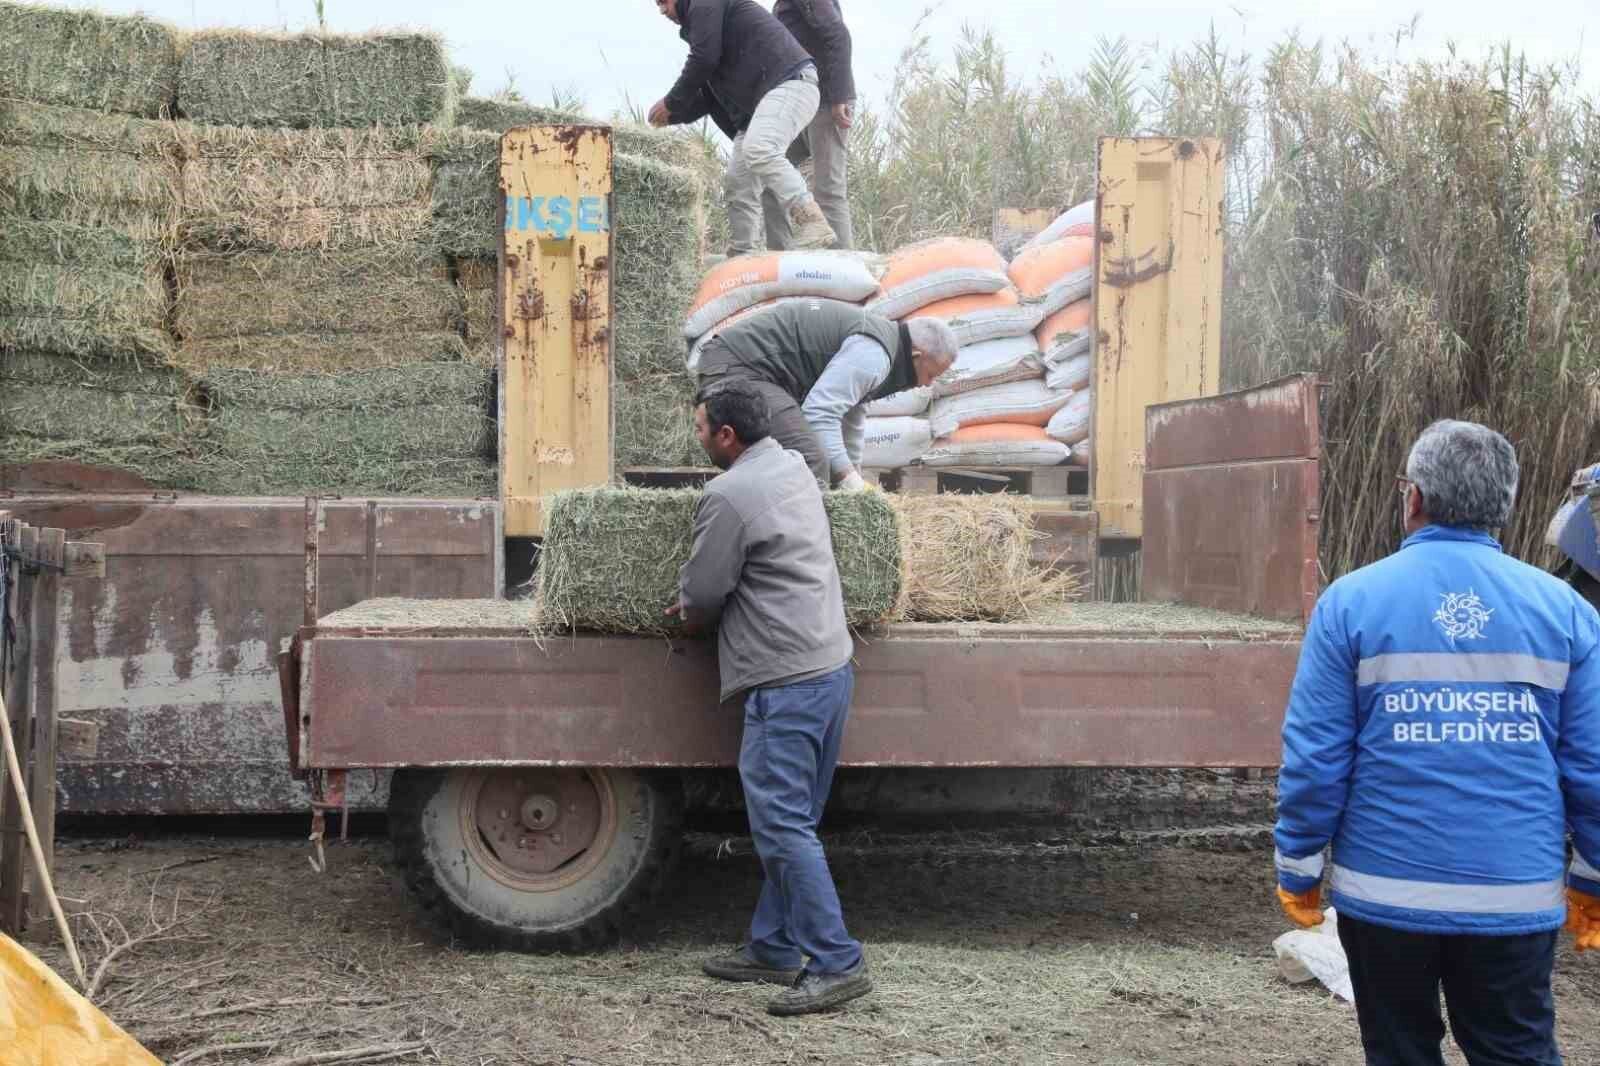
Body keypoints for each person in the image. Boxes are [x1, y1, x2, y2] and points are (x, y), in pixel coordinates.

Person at [1274, 419, 1600, 1066]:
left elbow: (1316, 758)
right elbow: (1591, 769)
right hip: (1515, 899)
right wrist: (1591, 878)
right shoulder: (1566, 613)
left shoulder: (1351, 604)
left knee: (1399, 1052)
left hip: (1385, 898)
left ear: (1413, 497)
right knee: (1516, 1051)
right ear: (1505, 505)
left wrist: (1300, 866)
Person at [667, 379, 872, 1017]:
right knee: (795, 822)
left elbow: (703, 595)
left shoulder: (729, 494)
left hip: (786, 682)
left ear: (728, 436)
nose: (697, 438)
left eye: (701, 429)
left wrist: (685, 612)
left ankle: (837, 963)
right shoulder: (789, 463)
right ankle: (775, 946)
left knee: (781, 826)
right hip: (830, 665)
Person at [693, 299, 959, 488]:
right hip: (738, 368)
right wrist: (846, 478)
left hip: (752, 371)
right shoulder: (874, 354)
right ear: (916, 355)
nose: (926, 385)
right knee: (811, 458)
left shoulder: (883, 348)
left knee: (824, 464)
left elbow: (851, 416)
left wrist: (853, 477)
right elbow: (819, 414)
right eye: (931, 375)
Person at [647, 0, 837, 254]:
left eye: (663, 2)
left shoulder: (705, 5)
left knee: (760, 148)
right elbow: (707, 98)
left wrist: (671, 102)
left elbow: (703, 59)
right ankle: (743, 256)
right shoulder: (708, 31)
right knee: (739, 183)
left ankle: (811, 220)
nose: (662, 11)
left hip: (791, 83)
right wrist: (669, 116)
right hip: (761, 107)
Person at [761, 0, 855, 250]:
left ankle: (844, 267)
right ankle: (779, 260)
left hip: (826, 101)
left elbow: (838, 34)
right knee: (770, 180)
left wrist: (839, 96)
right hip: (795, 104)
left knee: (828, 190)